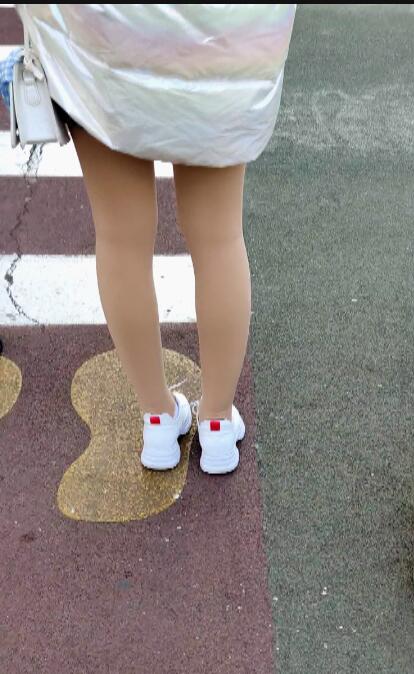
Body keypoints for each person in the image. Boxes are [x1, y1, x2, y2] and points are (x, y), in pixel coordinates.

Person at [14, 4, 297, 473]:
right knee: (219, 237)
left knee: (120, 236)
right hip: (218, 44)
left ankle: (158, 418)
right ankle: (217, 422)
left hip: (99, 40)